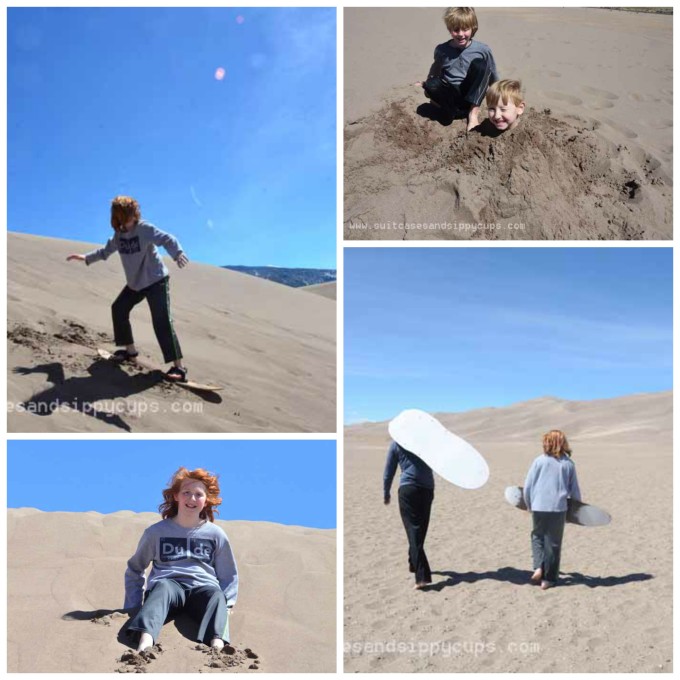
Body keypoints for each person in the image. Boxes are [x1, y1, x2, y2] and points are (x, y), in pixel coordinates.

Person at [66, 195, 189, 382]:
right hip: (135, 284)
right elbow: (104, 252)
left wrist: (177, 252)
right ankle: (130, 352)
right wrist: (85, 257)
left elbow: (166, 239)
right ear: (119, 217)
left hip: (156, 281)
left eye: (133, 214)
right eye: (126, 216)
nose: (131, 219)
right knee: (119, 308)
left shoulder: (144, 228)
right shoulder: (119, 235)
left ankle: (179, 368)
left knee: (161, 320)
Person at [124, 467, 238, 652]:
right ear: (176, 496)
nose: (192, 499)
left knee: (217, 597)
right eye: (186, 493)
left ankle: (218, 648)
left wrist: (229, 603)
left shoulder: (215, 534)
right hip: (169, 587)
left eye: (198, 494)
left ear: (206, 500)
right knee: (162, 588)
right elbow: (135, 568)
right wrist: (133, 605)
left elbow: (228, 574)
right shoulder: (156, 532)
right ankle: (144, 645)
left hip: (203, 589)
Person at [418, 7, 498, 131]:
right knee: (433, 86)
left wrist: (500, 93)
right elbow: (435, 68)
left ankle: (473, 113)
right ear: (450, 30)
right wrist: (426, 84)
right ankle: (449, 110)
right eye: (456, 30)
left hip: (470, 93)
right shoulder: (442, 50)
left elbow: (491, 72)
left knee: (482, 65)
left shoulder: (483, 50)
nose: (461, 34)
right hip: (450, 93)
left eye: (465, 29)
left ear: (473, 28)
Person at [523, 430, 581, 590]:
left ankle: (538, 567)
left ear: (546, 443)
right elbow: (574, 490)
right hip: (558, 508)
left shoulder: (539, 461)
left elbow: (527, 486)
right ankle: (548, 579)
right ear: (563, 444)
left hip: (539, 506)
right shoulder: (568, 464)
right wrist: (575, 511)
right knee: (553, 543)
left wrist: (529, 504)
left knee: (538, 536)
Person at [383, 440, 435, 589]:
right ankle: (417, 569)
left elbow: (389, 471)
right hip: (427, 489)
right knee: (419, 530)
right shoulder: (425, 443)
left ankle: (420, 574)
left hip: (409, 490)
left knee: (414, 530)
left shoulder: (395, 445)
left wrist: (386, 492)